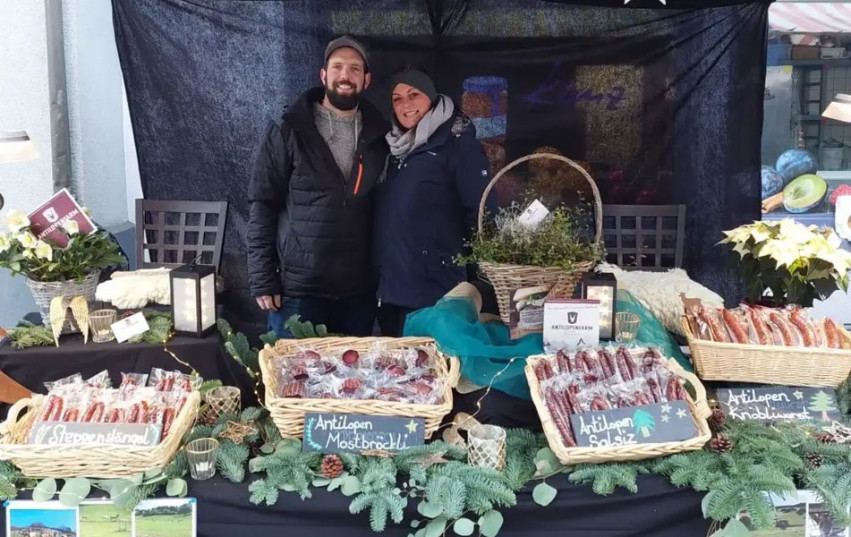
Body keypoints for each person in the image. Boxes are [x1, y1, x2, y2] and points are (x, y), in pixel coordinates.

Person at [247, 36, 389, 337]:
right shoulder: (289, 129)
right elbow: (262, 204)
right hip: (298, 292)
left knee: (353, 381)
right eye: (337, 67)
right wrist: (263, 279)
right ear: (323, 75)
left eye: (354, 68)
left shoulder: (381, 135)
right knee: (292, 382)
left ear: (366, 79)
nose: (345, 75)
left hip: (357, 294)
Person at [374, 66, 497, 336]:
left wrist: (482, 277)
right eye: (397, 98)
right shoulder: (394, 150)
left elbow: (482, 213)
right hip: (392, 291)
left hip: (435, 290)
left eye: (414, 94)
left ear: (432, 97)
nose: (405, 104)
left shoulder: (458, 146)